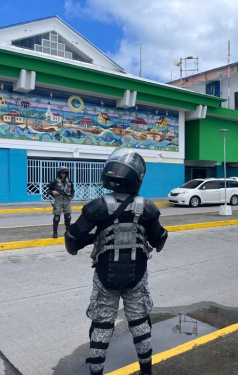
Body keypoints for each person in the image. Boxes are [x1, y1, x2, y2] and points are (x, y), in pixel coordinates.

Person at [65, 149, 168, 375]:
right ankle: (146, 371)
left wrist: (95, 238)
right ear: (137, 177)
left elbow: (73, 238)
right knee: (140, 323)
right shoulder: (147, 207)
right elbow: (159, 238)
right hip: (137, 277)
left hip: (104, 277)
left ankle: (96, 370)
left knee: (102, 325)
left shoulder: (98, 205)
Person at [48, 166, 74, 238]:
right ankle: (55, 233)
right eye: (62, 173)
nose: (63, 174)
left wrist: (71, 195)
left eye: (65, 173)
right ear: (59, 173)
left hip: (67, 201)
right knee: (56, 217)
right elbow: (48, 191)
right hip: (58, 201)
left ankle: (68, 232)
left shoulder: (69, 181)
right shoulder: (54, 181)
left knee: (68, 217)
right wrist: (53, 191)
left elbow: (72, 190)